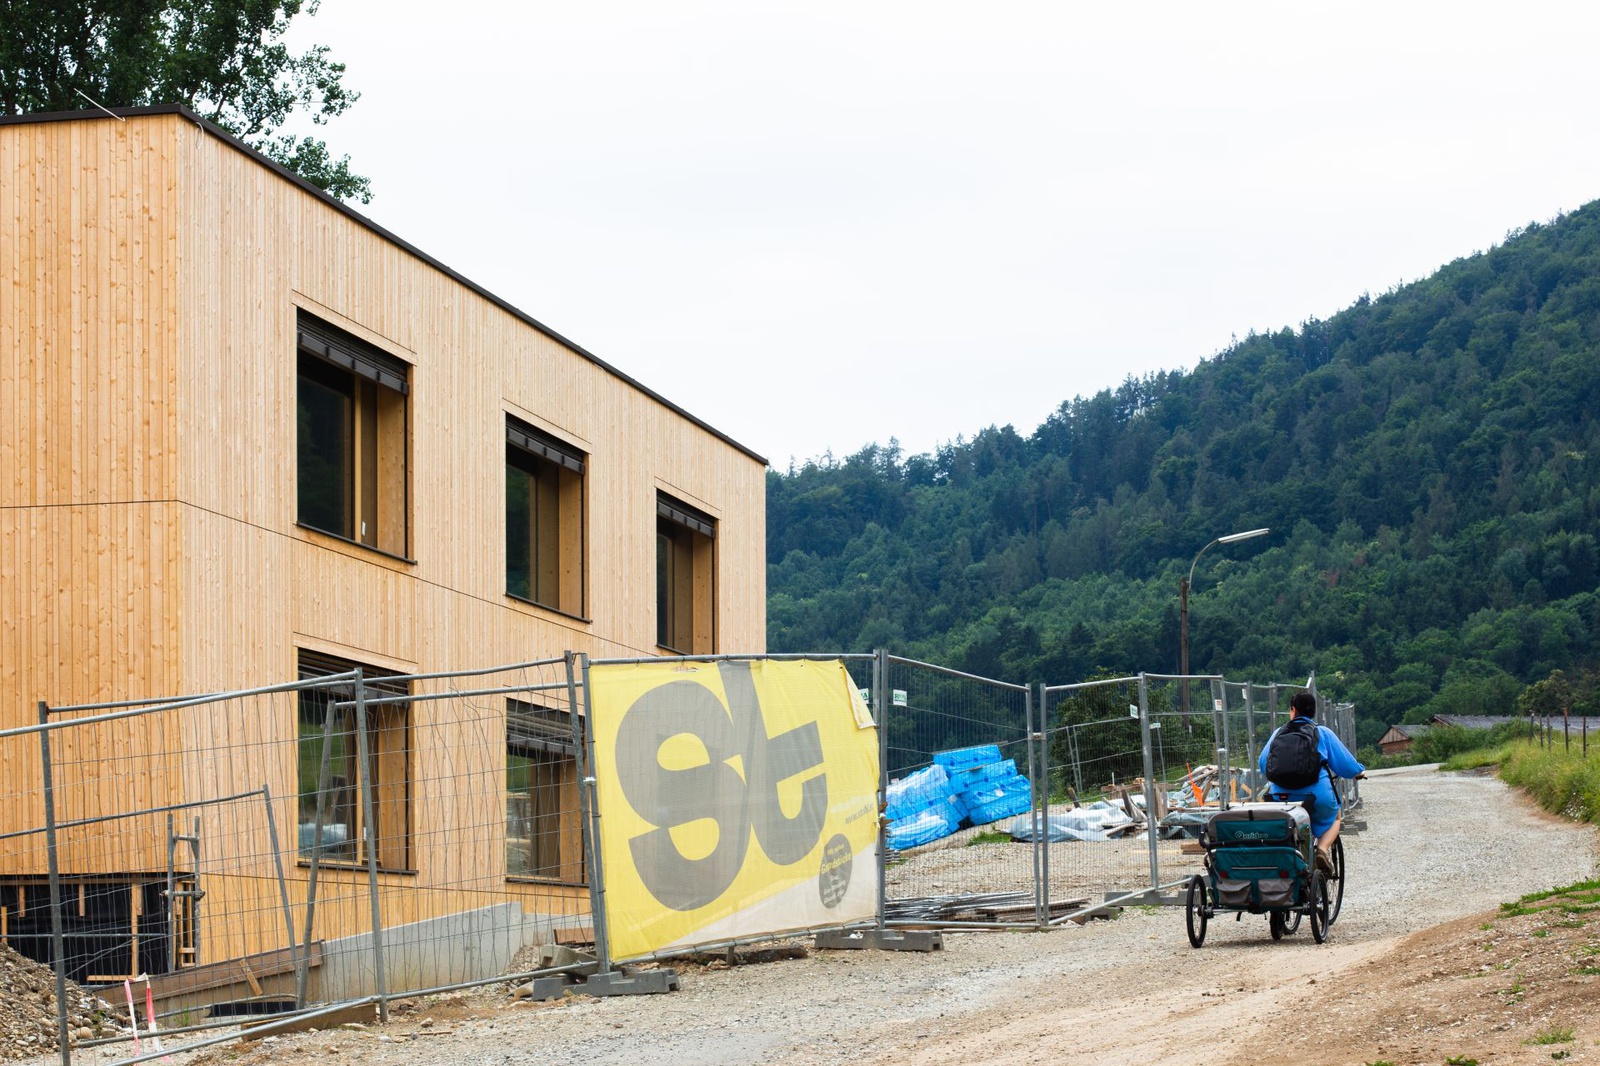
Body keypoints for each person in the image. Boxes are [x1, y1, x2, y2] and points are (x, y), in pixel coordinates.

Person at [1257, 691, 1365, 875]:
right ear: (1313, 712)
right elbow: (1346, 766)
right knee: (1336, 816)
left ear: (1293, 710)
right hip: (1316, 797)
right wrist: (1358, 772)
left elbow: (1263, 764)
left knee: (1286, 824)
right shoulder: (1322, 732)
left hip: (1281, 797)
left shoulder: (1278, 733)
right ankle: (1321, 850)